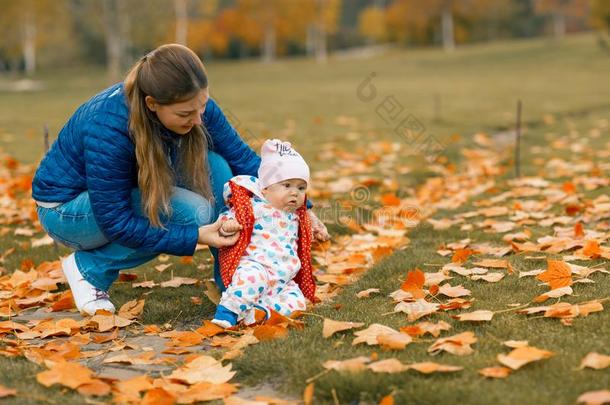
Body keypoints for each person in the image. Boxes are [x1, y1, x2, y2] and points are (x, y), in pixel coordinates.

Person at [31, 44, 329, 316]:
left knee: (220, 167)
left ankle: (236, 281)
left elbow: (245, 161)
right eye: (187, 113)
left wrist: (304, 208)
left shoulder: (193, 103)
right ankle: (88, 269)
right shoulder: (108, 127)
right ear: (152, 104)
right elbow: (115, 220)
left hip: (110, 198)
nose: (199, 118)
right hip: (67, 211)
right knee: (193, 213)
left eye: (203, 106)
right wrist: (195, 235)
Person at [211, 139, 317, 328]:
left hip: (283, 277)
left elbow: (303, 239)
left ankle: (258, 314)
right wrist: (229, 225)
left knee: (297, 303)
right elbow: (227, 217)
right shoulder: (253, 207)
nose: (295, 193)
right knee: (249, 281)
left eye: (301, 188)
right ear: (266, 188)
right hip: (256, 266)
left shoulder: (295, 215)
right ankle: (228, 312)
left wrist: (316, 230)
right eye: (287, 186)